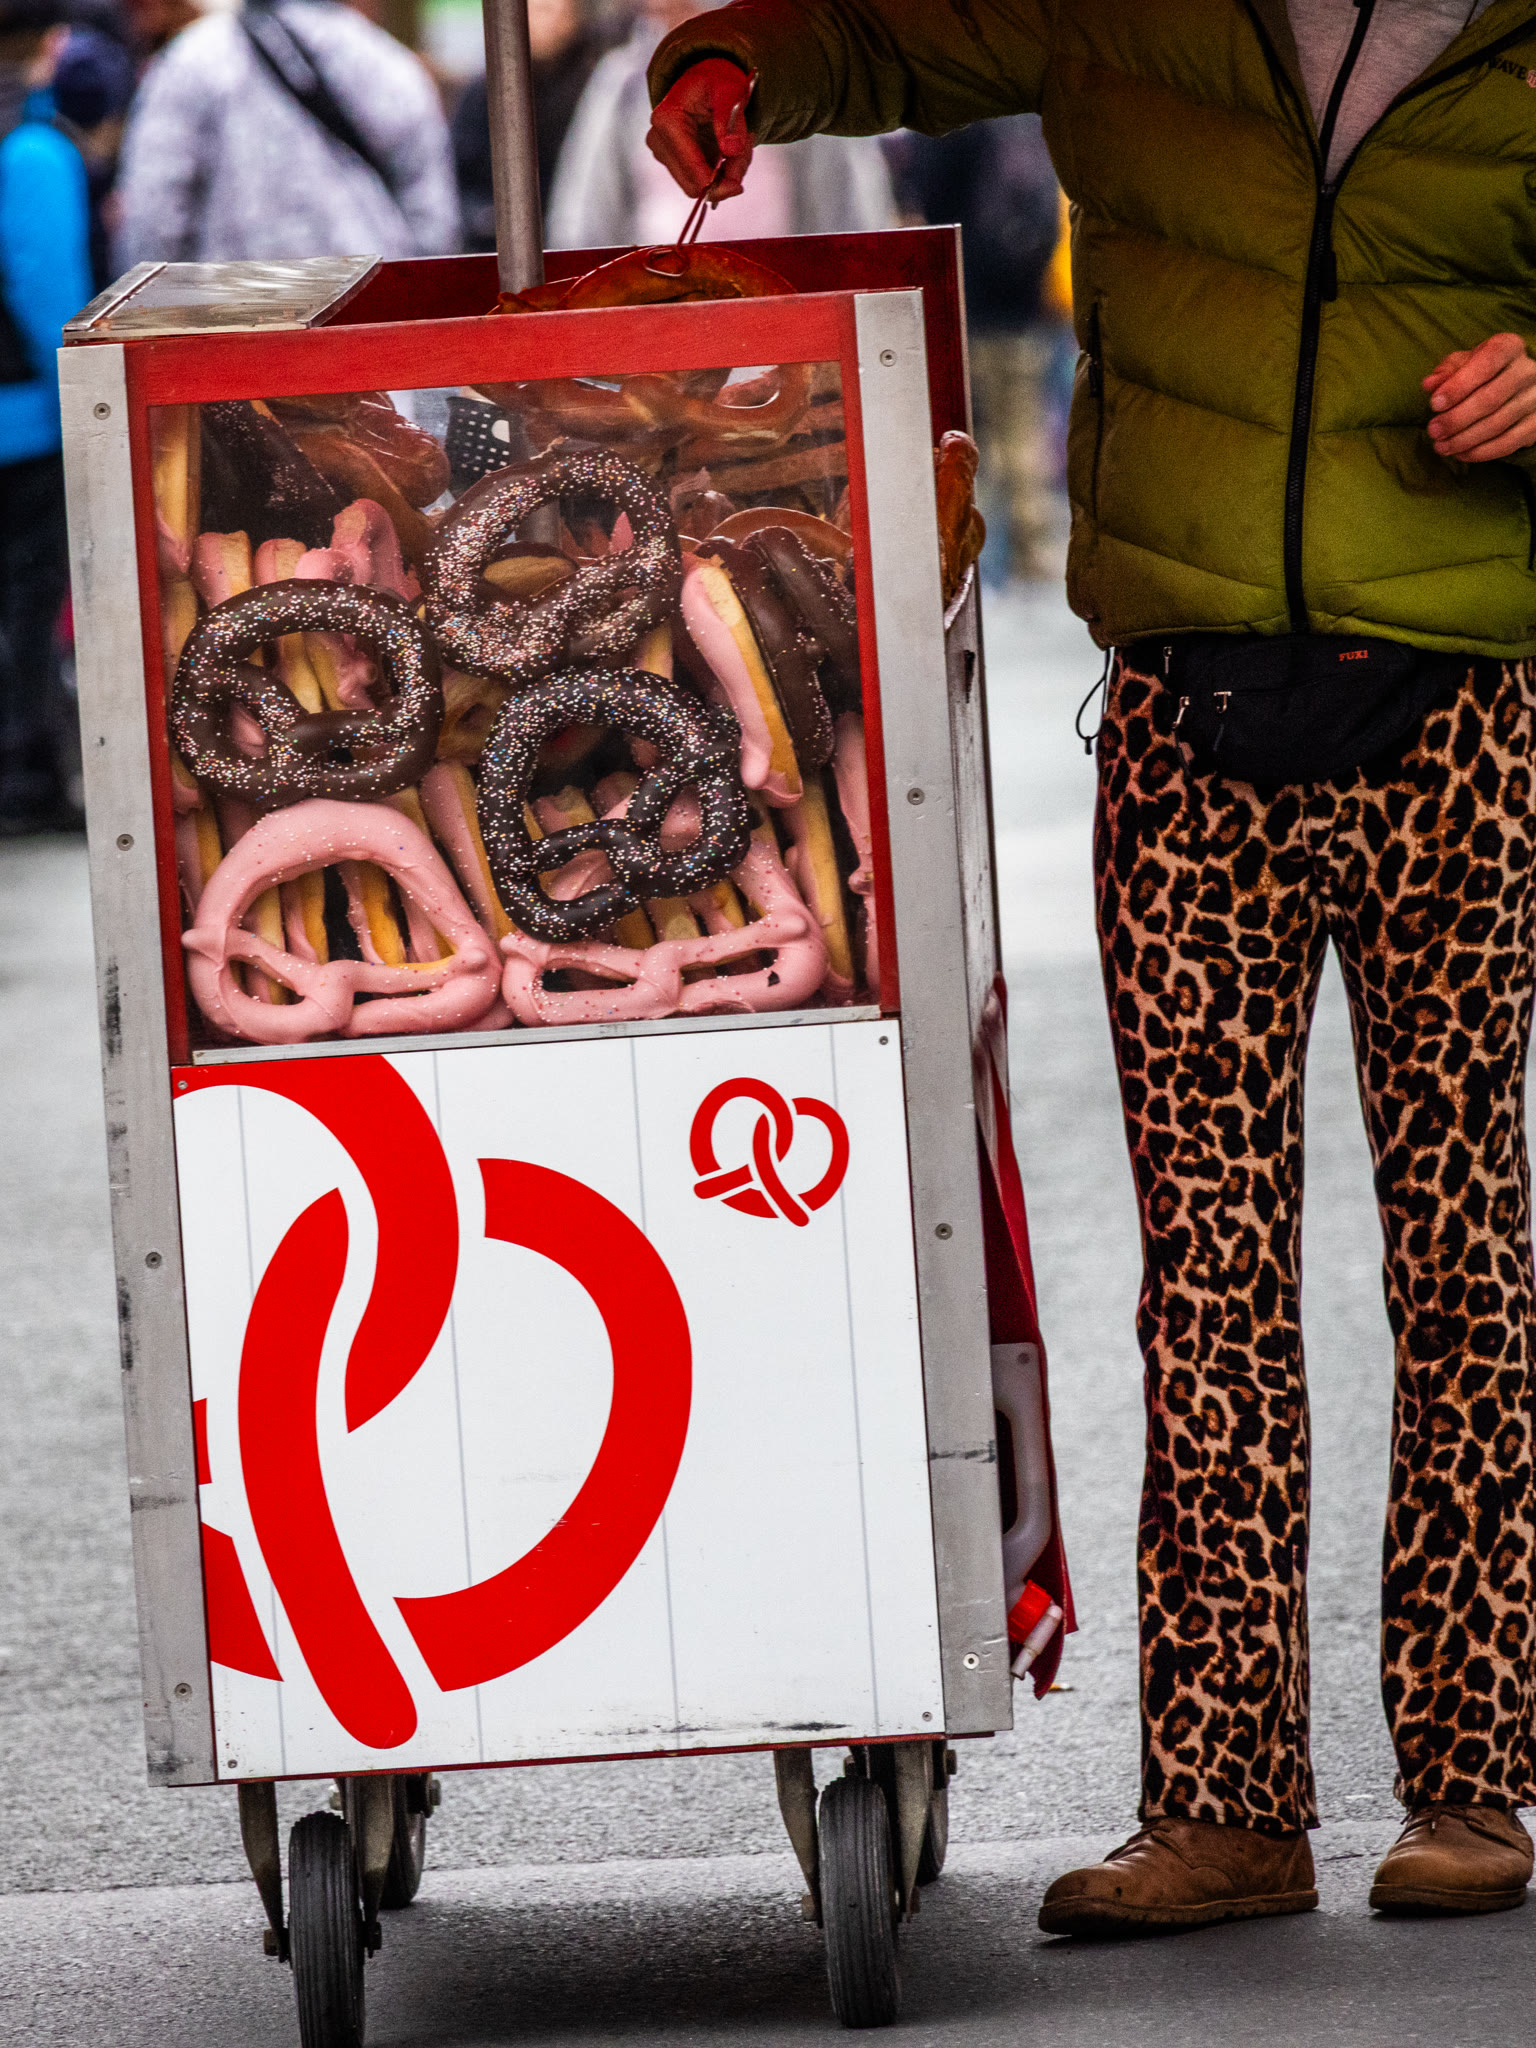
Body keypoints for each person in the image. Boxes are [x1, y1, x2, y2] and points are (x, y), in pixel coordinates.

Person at [649, 0, 1536, 1935]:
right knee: (1207, 1282)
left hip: (1462, 709)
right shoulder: (1123, 6)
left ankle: (1475, 1772)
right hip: (1186, 720)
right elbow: (889, 37)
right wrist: (734, 67)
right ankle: (1224, 1804)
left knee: (1464, 1255)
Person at [112, 0, 459, 267]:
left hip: (234, 319)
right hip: (369, 313)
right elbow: (434, 221)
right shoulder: (388, 63)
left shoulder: (191, 62)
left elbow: (153, 219)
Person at [549, 0, 893, 253]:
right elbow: (582, 224)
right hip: (658, 309)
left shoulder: (794, 74)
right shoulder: (623, 83)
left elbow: (849, 215)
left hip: (779, 302)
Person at [886, 115, 1066, 580]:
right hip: (1023, 303)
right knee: (1022, 429)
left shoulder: (941, 123)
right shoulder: (1023, 119)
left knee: (965, 434)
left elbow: (924, 202)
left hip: (965, 300)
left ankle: (976, 555)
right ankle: (1032, 553)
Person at [0, 0, 93, 832]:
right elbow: (48, 292)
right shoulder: (31, 150)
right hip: (23, 421)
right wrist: (84, 402)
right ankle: (25, 776)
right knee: (28, 609)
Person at [451, 0, 613, 252]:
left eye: (550, 9)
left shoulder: (598, 85)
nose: (541, 21)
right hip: (493, 243)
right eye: (534, 10)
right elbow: (461, 174)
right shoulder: (484, 91)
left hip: (573, 242)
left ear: (574, 16)